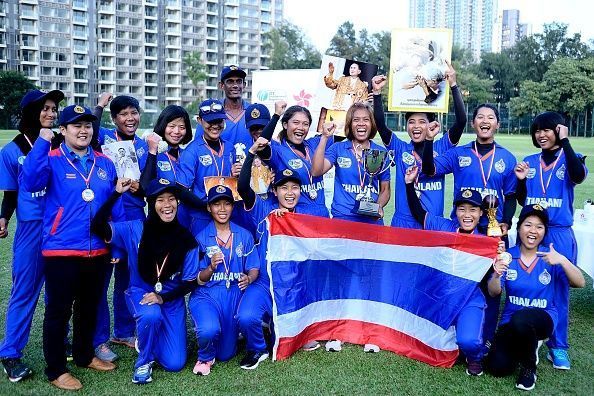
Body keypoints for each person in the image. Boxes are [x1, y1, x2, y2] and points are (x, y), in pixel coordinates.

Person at [20, 105, 121, 391]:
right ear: (62, 130)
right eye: (76, 125)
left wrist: (113, 244)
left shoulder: (105, 163)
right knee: (58, 311)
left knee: (89, 308)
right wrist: (42, 141)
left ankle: (84, 354)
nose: (83, 130)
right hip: (61, 250)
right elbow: (29, 182)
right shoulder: (50, 159)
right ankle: (56, 369)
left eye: (88, 125)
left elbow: (111, 207)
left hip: (97, 250)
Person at [421, 102, 517, 349]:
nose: (485, 121)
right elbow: (430, 169)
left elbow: (512, 194)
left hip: (491, 232)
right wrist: (430, 140)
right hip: (463, 231)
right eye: (480, 117)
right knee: (459, 281)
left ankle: (485, 338)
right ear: (473, 123)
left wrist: (505, 221)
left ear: (497, 124)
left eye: (491, 117)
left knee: (492, 284)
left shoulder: (506, 158)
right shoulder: (459, 153)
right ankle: (453, 330)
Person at [91, 178, 200, 384]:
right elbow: (97, 226)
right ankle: (144, 361)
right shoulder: (135, 228)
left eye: (171, 199)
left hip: (171, 299)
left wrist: (163, 297)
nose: (167, 205)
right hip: (141, 291)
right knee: (150, 316)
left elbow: (190, 282)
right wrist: (116, 194)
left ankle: (149, 337)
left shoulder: (186, 238)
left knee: (175, 364)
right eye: (160, 200)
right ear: (151, 203)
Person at [236, 136, 321, 369]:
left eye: (295, 188)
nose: (290, 193)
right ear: (275, 190)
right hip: (265, 281)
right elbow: (243, 187)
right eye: (284, 188)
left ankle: (283, 326)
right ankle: (257, 349)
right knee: (246, 317)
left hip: (292, 284)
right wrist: (251, 153)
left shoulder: (305, 218)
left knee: (291, 336)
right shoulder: (265, 208)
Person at [405, 165, 496, 375]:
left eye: (473, 210)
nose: (467, 215)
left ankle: (473, 356)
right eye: (462, 209)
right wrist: (409, 184)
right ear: (455, 211)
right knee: (420, 338)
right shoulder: (444, 227)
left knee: (469, 342)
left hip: (468, 298)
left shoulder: (485, 241)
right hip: (441, 297)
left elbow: (493, 283)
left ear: (481, 213)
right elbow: (419, 213)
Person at [514, 112, 588, 370]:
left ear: (559, 130)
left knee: (559, 290)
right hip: (532, 231)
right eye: (537, 131)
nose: (541, 135)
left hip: (558, 232)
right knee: (526, 282)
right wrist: (521, 182)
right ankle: (522, 333)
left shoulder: (571, 158)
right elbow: (523, 200)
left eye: (547, 130)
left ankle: (558, 347)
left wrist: (566, 142)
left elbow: (578, 176)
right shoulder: (530, 161)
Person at [0, 89, 64, 382]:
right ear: (30, 112)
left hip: (60, 227)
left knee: (61, 292)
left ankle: (57, 342)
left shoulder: (61, 143)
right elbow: (11, 194)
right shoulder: (12, 150)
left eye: (53, 109)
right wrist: (3, 217)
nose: (50, 113)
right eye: (44, 108)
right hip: (30, 229)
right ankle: (11, 353)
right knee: (24, 291)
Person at [487, 204, 585, 391]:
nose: (533, 231)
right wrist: (497, 275)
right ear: (519, 227)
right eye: (528, 225)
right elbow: (493, 292)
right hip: (511, 321)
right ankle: (527, 344)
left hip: (543, 318)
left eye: (539, 226)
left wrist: (563, 261)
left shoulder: (550, 256)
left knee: (522, 318)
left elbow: (580, 283)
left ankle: (529, 367)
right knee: (497, 367)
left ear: (544, 231)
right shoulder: (508, 256)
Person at [371, 61, 466, 229]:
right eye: (411, 122)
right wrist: (377, 93)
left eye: (422, 122)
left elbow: (461, 122)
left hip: (431, 223)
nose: (416, 126)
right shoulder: (400, 148)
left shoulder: (441, 147)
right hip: (403, 224)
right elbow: (380, 125)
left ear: (431, 125)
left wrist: (453, 85)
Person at [94, 95, 149, 361]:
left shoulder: (143, 145)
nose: (130, 118)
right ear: (114, 119)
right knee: (102, 280)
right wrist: (100, 105)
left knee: (128, 279)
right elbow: (88, 128)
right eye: (124, 114)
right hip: (108, 221)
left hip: (136, 220)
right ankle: (99, 339)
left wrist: (141, 191)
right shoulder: (104, 138)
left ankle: (124, 331)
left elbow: (150, 186)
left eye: (134, 112)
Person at [188, 185, 260, 376]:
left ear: (232, 207)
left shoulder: (244, 235)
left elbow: (253, 266)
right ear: (208, 208)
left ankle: (234, 333)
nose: (222, 209)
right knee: (209, 330)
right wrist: (211, 267)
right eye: (216, 204)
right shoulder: (200, 238)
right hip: (208, 295)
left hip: (234, 293)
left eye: (227, 204)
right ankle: (204, 357)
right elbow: (197, 278)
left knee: (226, 354)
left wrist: (249, 277)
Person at [311, 102, 391, 224]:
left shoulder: (380, 152)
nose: (361, 123)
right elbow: (316, 171)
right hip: (343, 218)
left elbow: (385, 189)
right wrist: (324, 137)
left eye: (366, 119)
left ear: (372, 124)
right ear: (350, 124)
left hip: (371, 220)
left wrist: (378, 206)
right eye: (356, 120)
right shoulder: (338, 148)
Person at [177, 99, 241, 232]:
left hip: (226, 214)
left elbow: (233, 182)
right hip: (201, 217)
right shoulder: (192, 151)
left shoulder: (229, 148)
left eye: (218, 121)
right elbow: (181, 190)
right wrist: (206, 205)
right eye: (210, 121)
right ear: (200, 121)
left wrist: (236, 176)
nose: (215, 125)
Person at [259, 102, 332, 217]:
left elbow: (343, 130)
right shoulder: (278, 150)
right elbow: (261, 141)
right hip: (296, 218)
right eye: (296, 123)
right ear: (285, 125)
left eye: (305, 124)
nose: (301, 128)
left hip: (322, 215)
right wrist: (277, 115)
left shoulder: (315, 143)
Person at [139, 105, 193, 226]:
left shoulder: (188, 155)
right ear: (163, 126)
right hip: (160, 224)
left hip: (187, 223)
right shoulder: (152, 154)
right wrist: (153, 152)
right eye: (172, 126)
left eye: (182, 127)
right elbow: (145, 186)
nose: (177, 132)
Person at [196, 65, 252, 148]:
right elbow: (198, 144)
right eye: (230, 81)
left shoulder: (252, 111)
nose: (235, 85)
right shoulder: (211, 112)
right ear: (221, 85)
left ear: (244, 85)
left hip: (249, 161)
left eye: (239, 81)